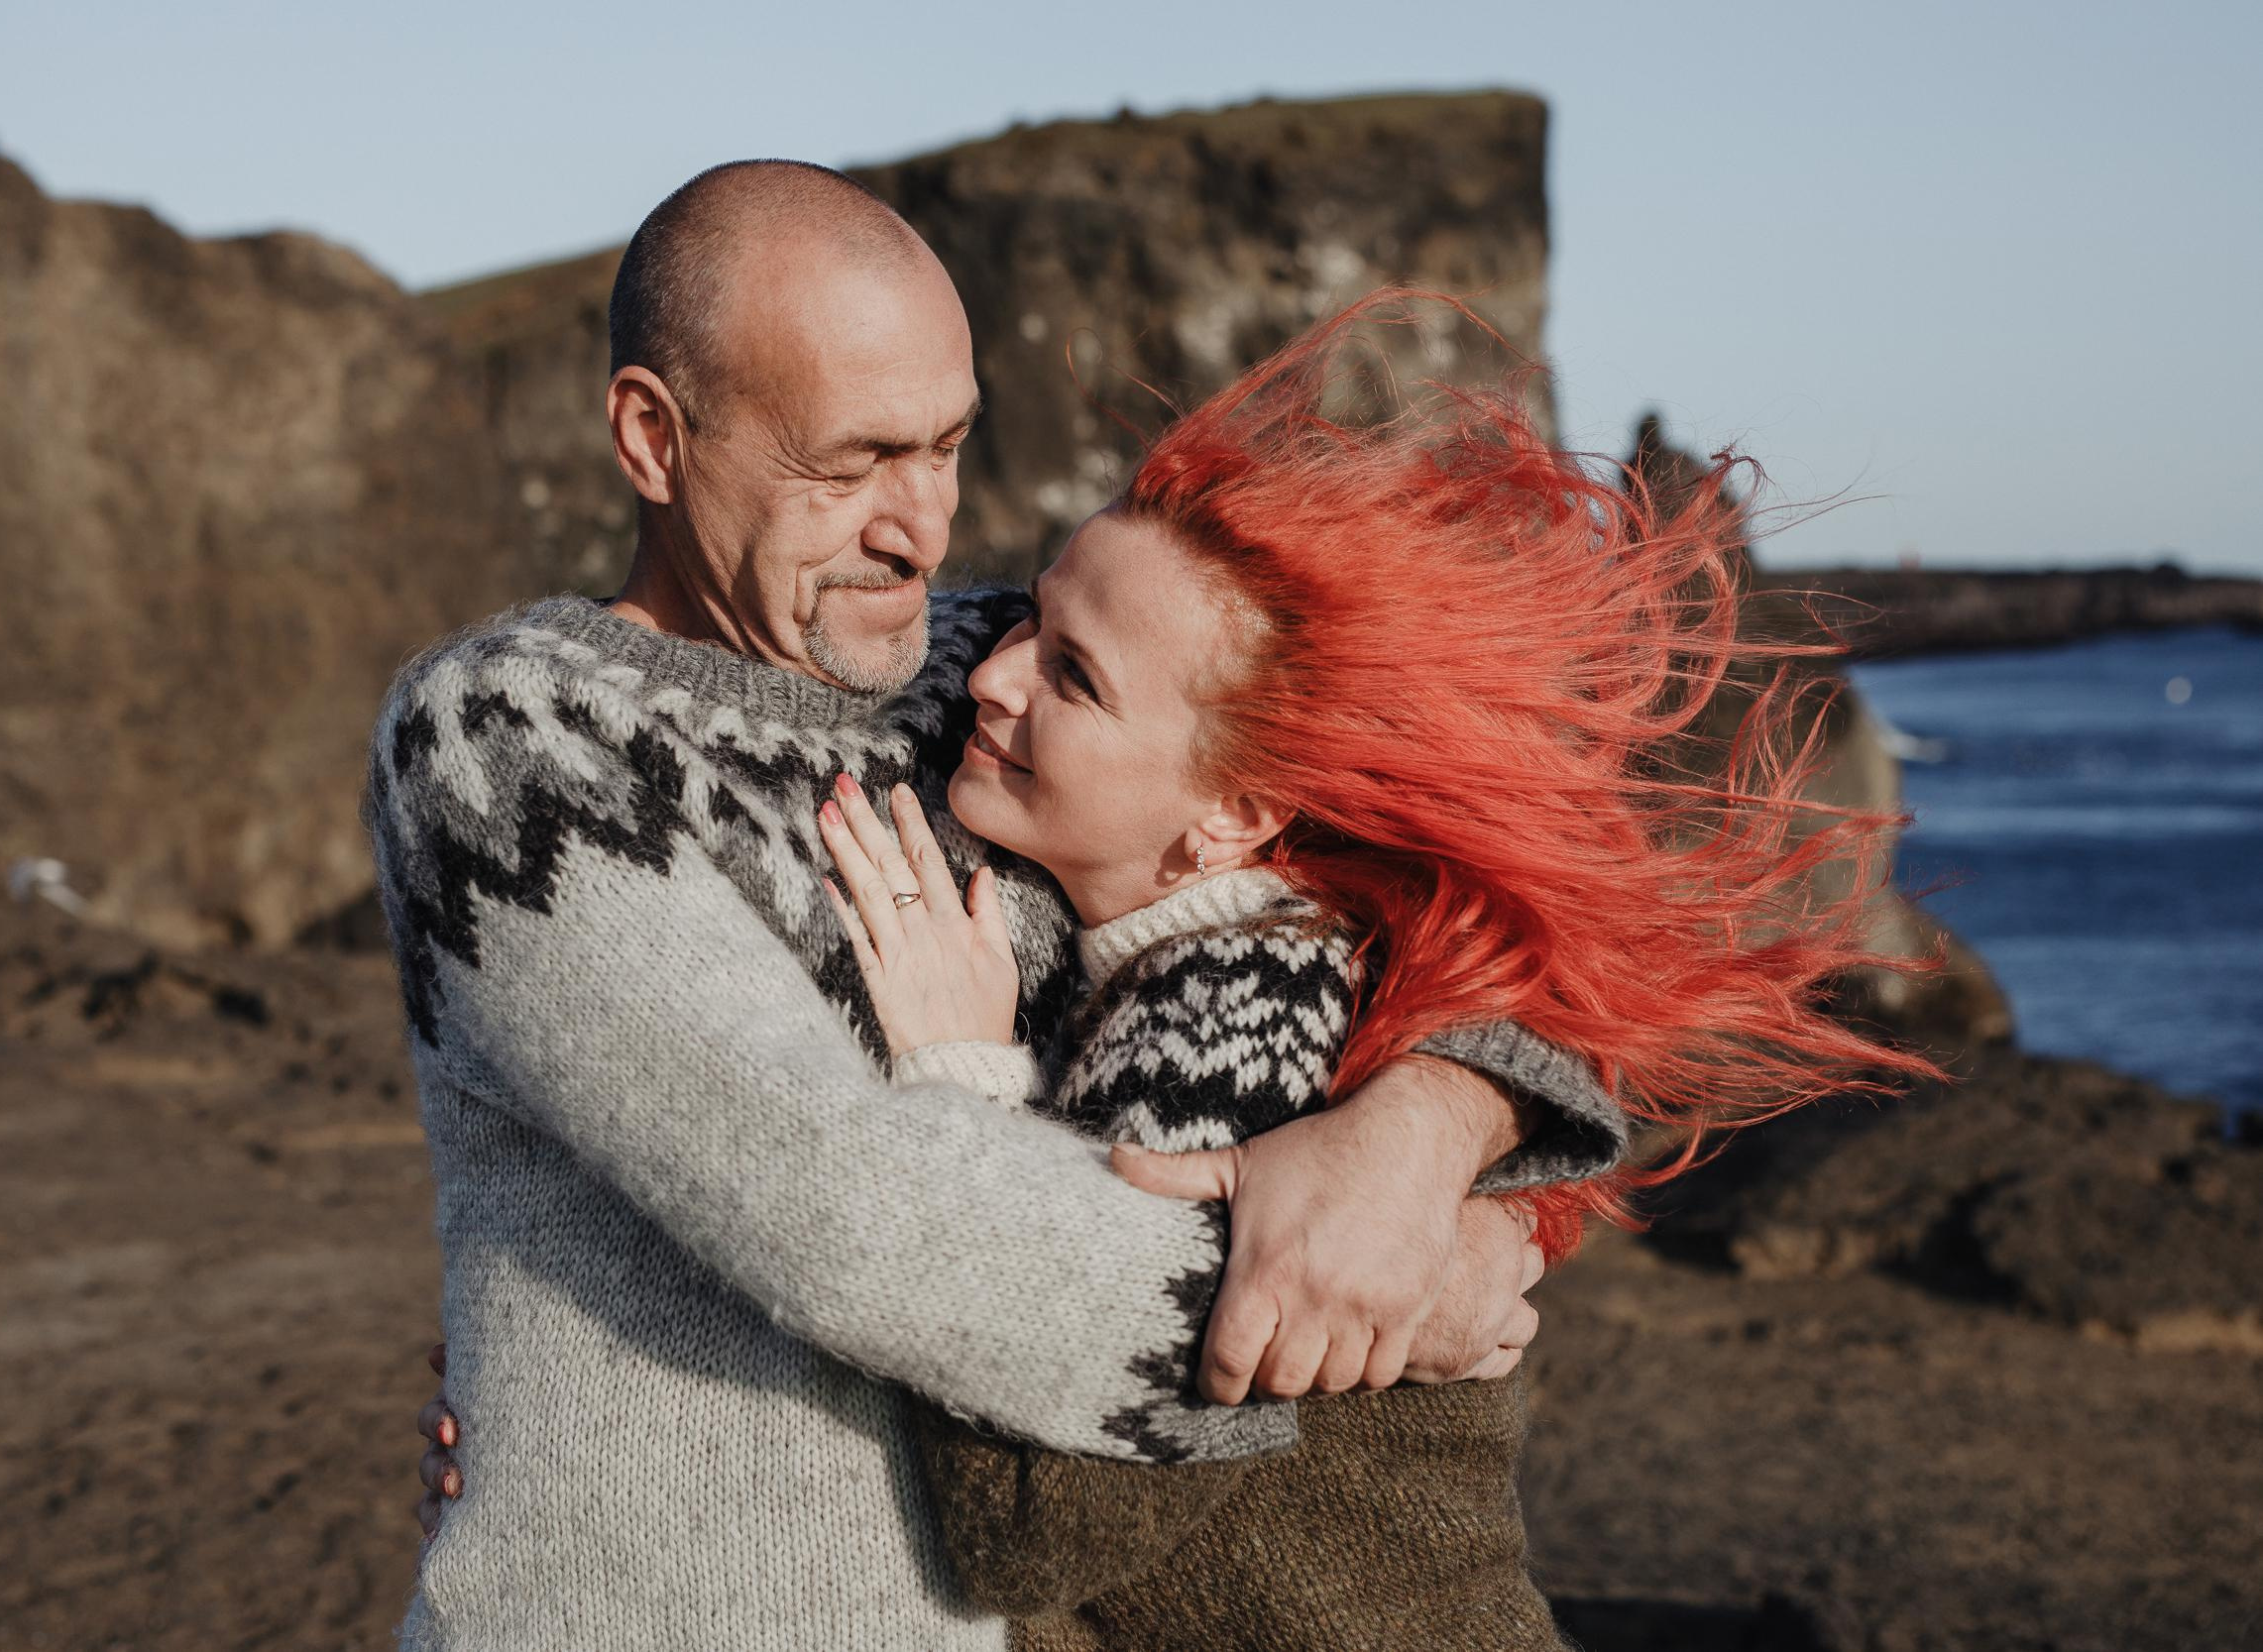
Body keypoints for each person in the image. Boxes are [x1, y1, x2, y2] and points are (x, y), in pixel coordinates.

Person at [372, 163, 1625, 1650]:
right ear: (655, 436)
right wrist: (1377, 1308)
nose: (923, 527)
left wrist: (1425, 1143)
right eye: (855, 463)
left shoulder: (999, 675)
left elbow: (1495, 907)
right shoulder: (511, 745)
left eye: (949, 447)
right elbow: (849, 1209)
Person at [812, 296, 1936, 1649]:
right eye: (1032, 623)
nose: (992, 680)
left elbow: (1040, 1529)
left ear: (1229, 814)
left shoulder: (1228, 1024)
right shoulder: (1259, 950)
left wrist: (963, 1089)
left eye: (1074, 677)